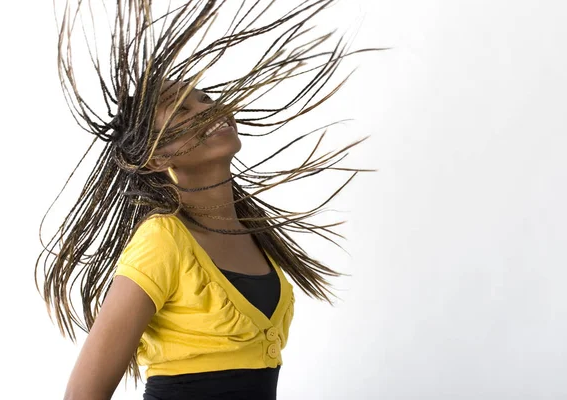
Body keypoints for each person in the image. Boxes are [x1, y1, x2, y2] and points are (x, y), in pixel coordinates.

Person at [34, 1, 385, 399]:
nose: (208, 107)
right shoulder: (162, 241)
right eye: (181, 109)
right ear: (155, 156)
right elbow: (83, 394)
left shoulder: (256, 235)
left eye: (203, 97)